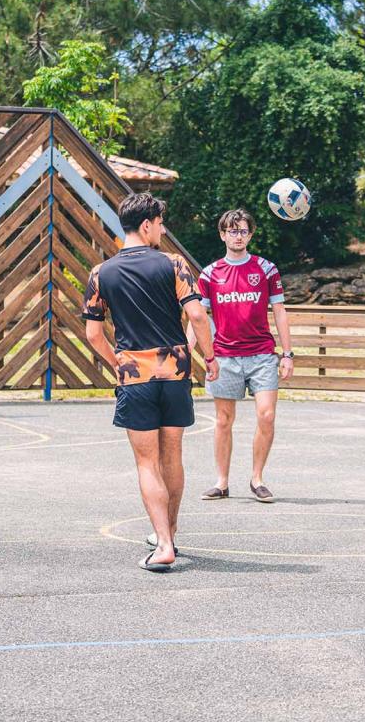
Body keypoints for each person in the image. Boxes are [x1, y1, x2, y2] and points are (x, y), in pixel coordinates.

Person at [83, 193, 218, 572]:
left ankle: (162, 544)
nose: (162, 229)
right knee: (172, 456)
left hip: (135, 378)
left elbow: (94, 335)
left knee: (147, 462)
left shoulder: (100, 273)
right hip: (174, 374)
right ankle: (170, 533)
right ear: (146, 225)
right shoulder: (174, 264)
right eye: (160, 223)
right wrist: (209, 358)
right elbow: (197, 315)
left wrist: (119, 365)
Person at [190, 209, 293, 503]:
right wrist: (188, 350)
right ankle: (221, 482)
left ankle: (257, 478)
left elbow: (280, 312)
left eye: (243, 231)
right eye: (232, 231)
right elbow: (197, 316)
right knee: (224, 420)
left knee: (267, 415)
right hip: (225, 356)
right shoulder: (210, 274)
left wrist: (287, 354)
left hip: (261, 355)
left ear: (251, 234)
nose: (238, 236)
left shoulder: (266, 269)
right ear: (223, 235)